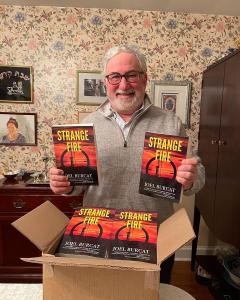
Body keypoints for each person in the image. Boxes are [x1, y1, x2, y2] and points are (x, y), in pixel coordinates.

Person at [49, 45, 205, 283]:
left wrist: (191, 177)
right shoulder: (87, 125)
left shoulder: (171, 123)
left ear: (144, 78)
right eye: (115, 77)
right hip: (98, 237)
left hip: (156, 238)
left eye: (131, 75)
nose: (123, 84)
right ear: (105, 82)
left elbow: (198, 175)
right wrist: (65, 185)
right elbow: (79, 186)